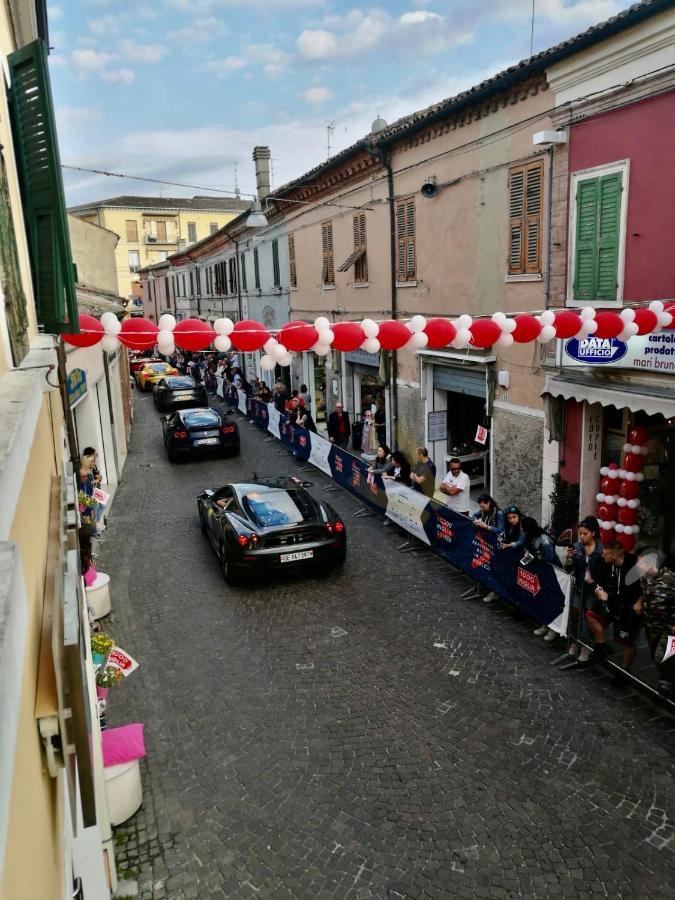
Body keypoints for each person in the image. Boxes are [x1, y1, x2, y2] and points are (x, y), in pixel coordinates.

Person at [593, 540, 642, 672]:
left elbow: (631, 594)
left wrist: (609, 596)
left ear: (614, 555)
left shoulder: (633, 565)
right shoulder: (607, 564)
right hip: (613, 602)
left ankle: (624, 670)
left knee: (629, 639)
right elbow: (599, 579)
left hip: (629, 607)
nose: (602, 556)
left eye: (605, 554)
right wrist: (598, 589)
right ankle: (602, 645)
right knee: (592, 615)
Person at [564, 516, 607, 663]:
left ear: (593, 533)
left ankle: (585, 646)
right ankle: (574, 642)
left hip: (592, 589)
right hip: (578, 586)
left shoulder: (601, 549)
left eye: (585, 534)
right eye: (580, 533)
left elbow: (604, 573)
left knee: (588, 617)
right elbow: (569, 567)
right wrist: (569, 559)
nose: (581, 537)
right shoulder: (577, 547)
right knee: (575, 614)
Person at [633, 550, 675, 697]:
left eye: (641, 563)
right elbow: (645, 593)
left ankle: (666, 681)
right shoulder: (645, 577)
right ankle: (666, 677)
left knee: (664, 655)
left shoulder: (670, 579)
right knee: (655, 654)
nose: (637, 566)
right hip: (652, 623)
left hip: (670, 626)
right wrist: (640, 602)